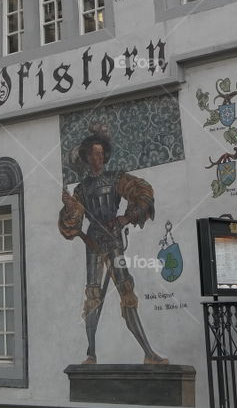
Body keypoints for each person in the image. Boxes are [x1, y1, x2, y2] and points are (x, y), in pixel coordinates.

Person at [59, 130, 167, 364]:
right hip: (93, 242)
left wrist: (126, 218)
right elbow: (72, 221)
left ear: (104, 155)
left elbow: (142, 192)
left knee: (126, 290)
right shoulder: (81, 189)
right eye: (92, 154)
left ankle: (148, 353)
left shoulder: (116, 178)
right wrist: (69, 206)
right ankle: (91, 354)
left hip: (114, 237)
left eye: (100, 154)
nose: (97, 158)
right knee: (92, 295)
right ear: (87, 157)